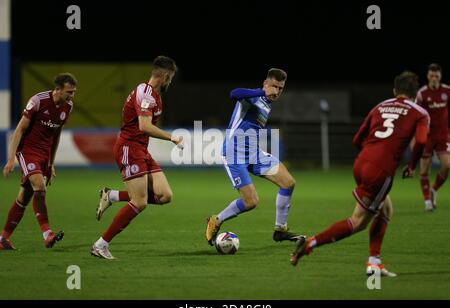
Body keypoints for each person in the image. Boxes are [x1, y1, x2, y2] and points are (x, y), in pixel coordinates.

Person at [290, 71, 430, 277]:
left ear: (394, 91)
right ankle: (312, 243)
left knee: (386, 209)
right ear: (415, 94)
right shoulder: (419, 112)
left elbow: (357, 139)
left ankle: (374, 262)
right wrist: (411, 165)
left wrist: (368, 158)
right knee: (358, 222)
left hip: (361, 163)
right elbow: (422, 140)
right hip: (381, 170)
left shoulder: (380, 106)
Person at [91, 56, 183, 260]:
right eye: (171, 77)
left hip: (141, 150)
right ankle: (100, 244)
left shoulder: (155, 96)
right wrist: (172, 137)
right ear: (166, 75)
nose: (171, 82)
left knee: (165, 195)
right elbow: (144, 126)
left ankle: (112, 195)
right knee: (139, 202)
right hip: (129, 148)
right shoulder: (145, 93)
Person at [205, 68, 302, 246]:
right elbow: (234, 93)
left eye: (281, 88)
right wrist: (262, 91)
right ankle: (216, 220)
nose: (277, 91)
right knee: (251, 202)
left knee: (288, 183)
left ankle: (280, 230)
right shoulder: (253, 97)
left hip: (254, 154)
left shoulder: (267, 103)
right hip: (234, 154)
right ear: (265, 83)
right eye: (274, 86)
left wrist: (267, 94)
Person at [1, 73, 77, 250]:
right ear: (57, 89)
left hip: (43, 154)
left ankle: (3, 238)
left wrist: (51, 163)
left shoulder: (68, 107)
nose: (72, 96)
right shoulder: (38, 101)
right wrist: (11, 159)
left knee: (24, 197)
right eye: (69, 92)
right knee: (39, 186)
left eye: (73, 92)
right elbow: (19, 130)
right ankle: (47, 233)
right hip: (27, 150)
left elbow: (56, 134)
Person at [415, 63, 450, 212]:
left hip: (443, 135)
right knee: (424, 170)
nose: (434, 78)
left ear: (440, 76)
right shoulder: (422, 94)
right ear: (428, 76)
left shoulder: (447, 91)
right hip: (427, 136)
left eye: (436, 75)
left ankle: (434, 190)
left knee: (447, 165)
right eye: (431, 75)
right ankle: (427, 201)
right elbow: (416, 114)